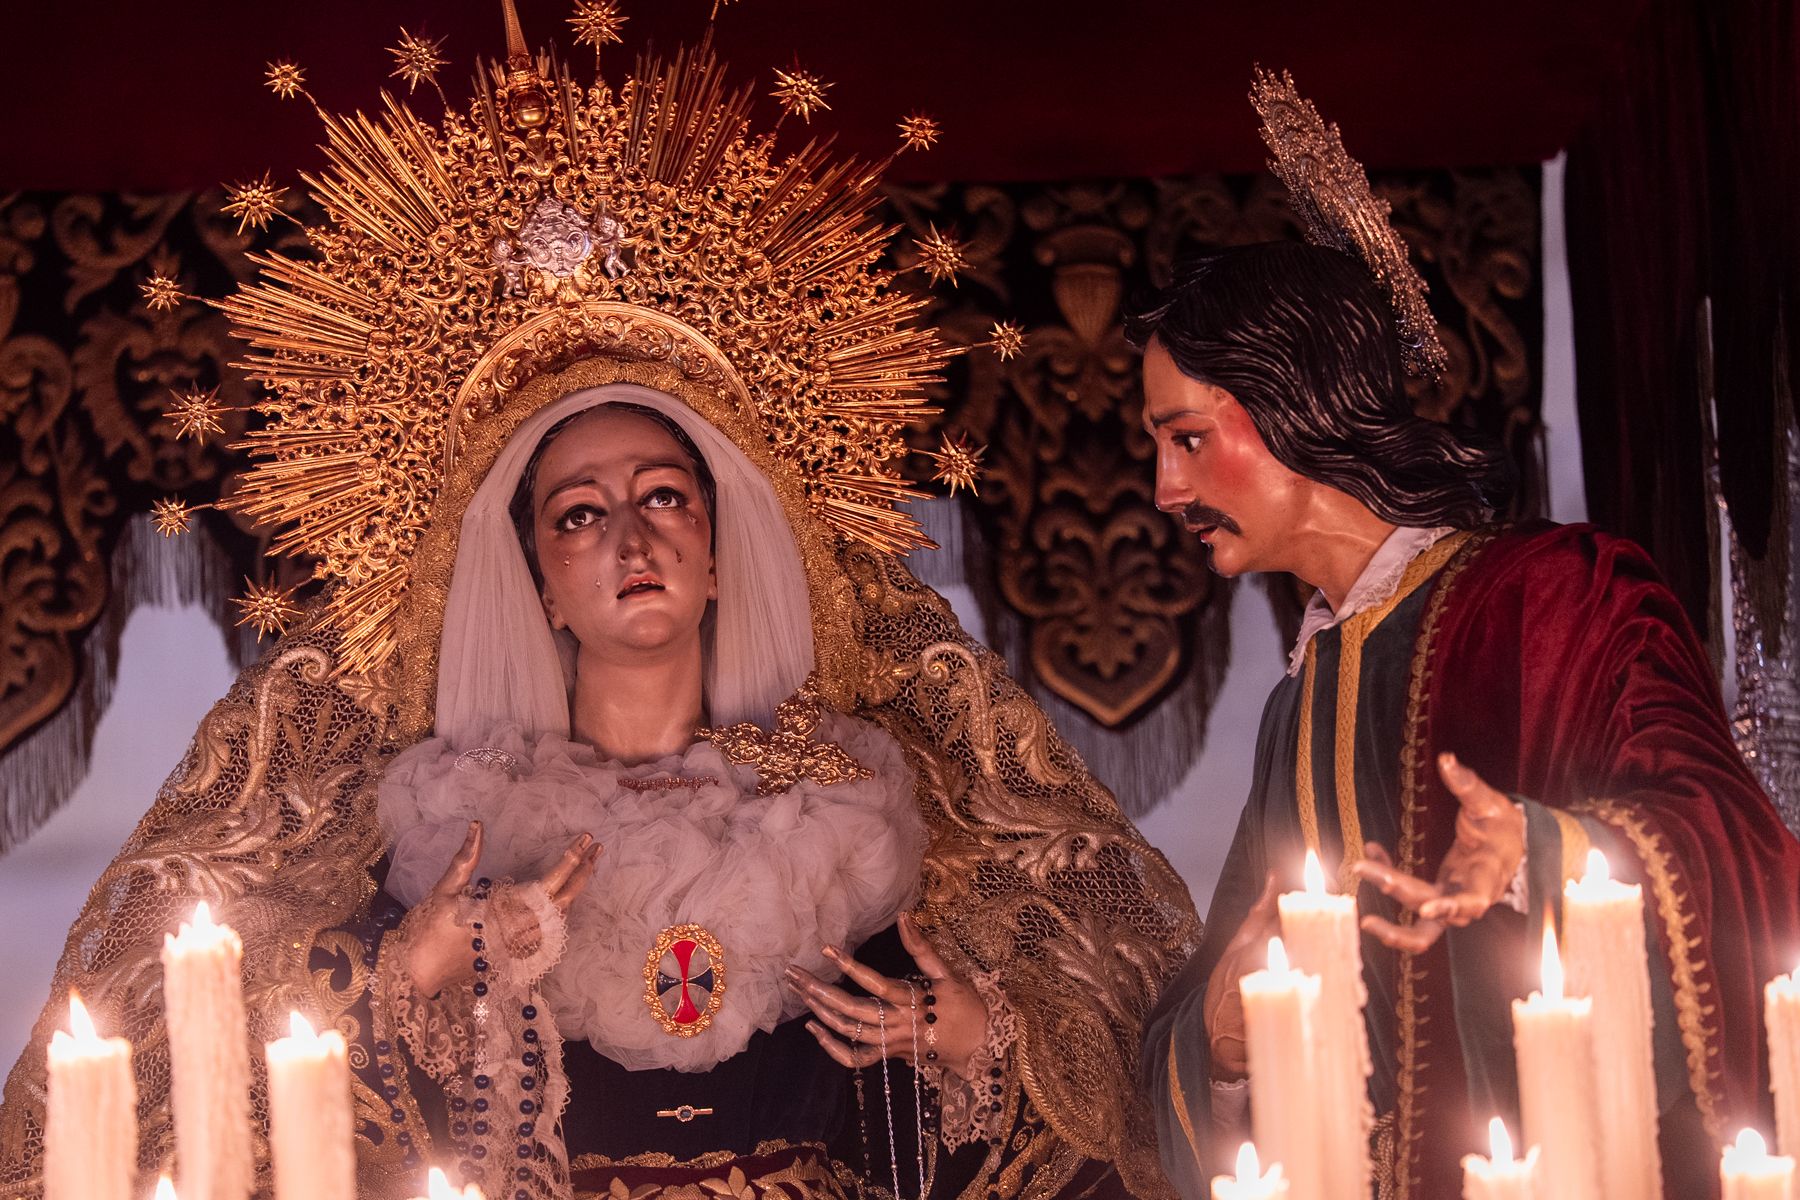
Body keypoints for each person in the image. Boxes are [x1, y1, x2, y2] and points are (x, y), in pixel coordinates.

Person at [0, 12, 1201, 1200]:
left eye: (665, 496)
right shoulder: (457, 837)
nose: (630, 537)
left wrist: (974, 1038)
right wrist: (412, 976)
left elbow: (1104, 1069)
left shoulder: (834, 818)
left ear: (726, 550)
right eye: (578, 513)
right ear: (537, 581)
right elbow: (261, 1099)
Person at [1133, 178, 1800, 1200]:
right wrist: (1221, 1044)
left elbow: (1732, 837)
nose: (1166, 491)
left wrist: (1549, 849)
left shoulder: (1557, 594)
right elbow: (1225, 996)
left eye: (1186, 439)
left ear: (1292, 405)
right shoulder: (1296, 708)